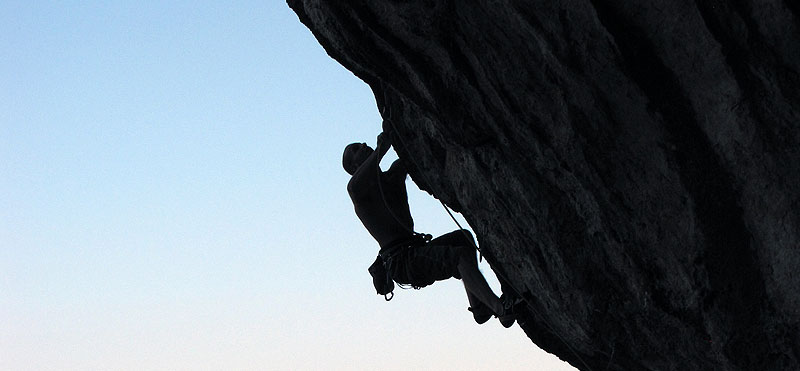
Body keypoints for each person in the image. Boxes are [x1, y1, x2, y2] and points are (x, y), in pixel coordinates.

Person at [342, 132, 514, 327]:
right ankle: (501, 309)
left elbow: (410, 151)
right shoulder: (357, 191)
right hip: (402, 261)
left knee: (463, 238)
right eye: (355, 149)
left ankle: (480, 307)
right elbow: (361, 180)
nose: (363, 144)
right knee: (459, 257)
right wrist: (383, 146)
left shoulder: (394, 175)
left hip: (413, 251)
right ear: (354, 168)